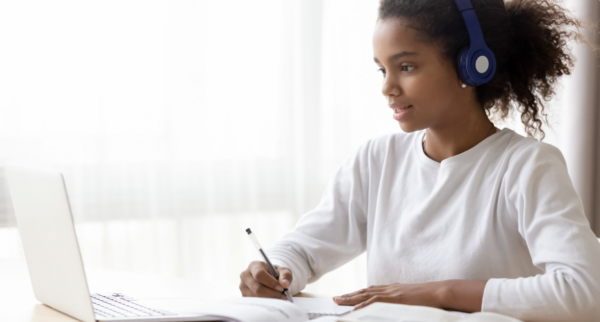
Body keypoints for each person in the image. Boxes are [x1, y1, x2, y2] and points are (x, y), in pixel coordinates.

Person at [239, 0, 600, 321]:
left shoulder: (527, 166)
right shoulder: (377, 161)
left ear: (472, 66)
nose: (387, 87)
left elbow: (586, 292)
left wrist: (439, 293)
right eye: (382, 69)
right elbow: (304, 248)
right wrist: (277, 269)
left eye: (406, 67)